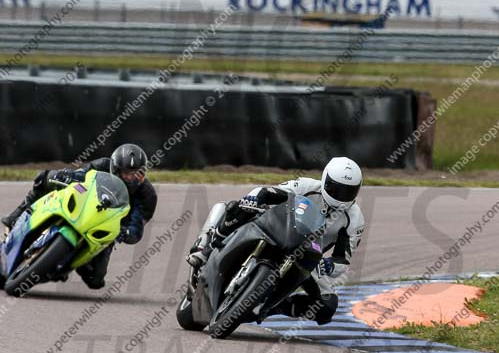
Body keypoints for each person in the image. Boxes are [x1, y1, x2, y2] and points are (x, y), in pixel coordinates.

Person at [187, 156, 365, 325]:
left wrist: (330, 265)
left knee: (327, 307)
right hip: (277, 231)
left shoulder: (354, 219)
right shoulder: (306, 186)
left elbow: (343, 257)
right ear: (325, 180)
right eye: (336, 189)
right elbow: (269, 191)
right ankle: (207, 249)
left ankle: (276, 306)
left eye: (348, 191)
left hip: (310, 258)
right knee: (236, 208)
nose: (341, 197)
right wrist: (254, 199)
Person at [2, 144, 157, 289]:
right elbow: (81, 175)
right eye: (126, 173)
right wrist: (67, 176)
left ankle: (65, 265)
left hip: (107, 227)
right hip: (83, 208)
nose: (131, 178)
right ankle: (15, 218)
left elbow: (137, 225)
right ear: (115, 168)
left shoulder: (147, 196)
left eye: (136, 174)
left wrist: (127, 233)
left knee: (95, 280)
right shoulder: (102, 165)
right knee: (44, 178)